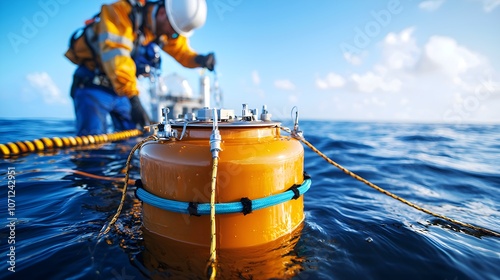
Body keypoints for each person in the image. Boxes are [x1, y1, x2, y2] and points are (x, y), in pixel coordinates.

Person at [65, 0, 215, 136]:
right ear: (163, 13)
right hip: (93, 86)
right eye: (174, 31)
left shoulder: (160, 29)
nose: (172, 36)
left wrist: (199, 60)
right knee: (92, 144)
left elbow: (181, 51)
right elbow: (118, 58)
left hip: (122, 92)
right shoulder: (120, 13)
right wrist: (134, 99)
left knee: (134, 139)